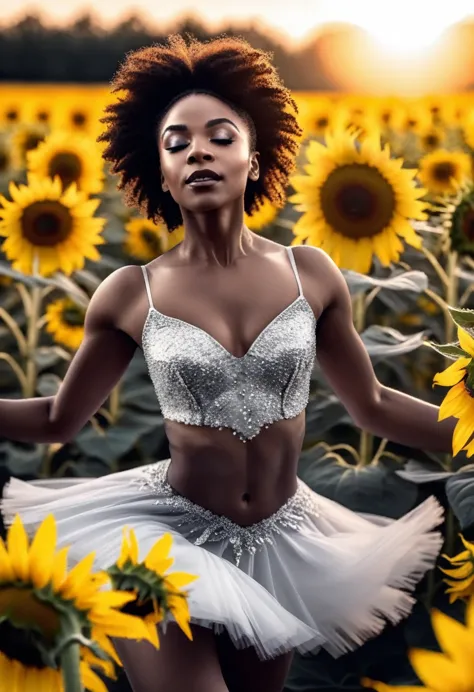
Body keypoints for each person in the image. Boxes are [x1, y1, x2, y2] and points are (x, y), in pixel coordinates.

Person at [0, 34, 455, 692]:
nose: (198, 153)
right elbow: (55, 419)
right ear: (159, 172)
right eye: (176, 143)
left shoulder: (311, 273)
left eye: (219, 135)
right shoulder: (134, 291)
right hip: (161, 545)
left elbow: (375, 406)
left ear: (254, 154)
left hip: (281, 544)